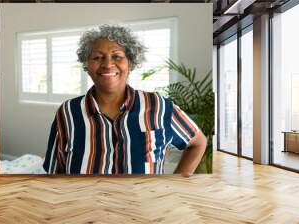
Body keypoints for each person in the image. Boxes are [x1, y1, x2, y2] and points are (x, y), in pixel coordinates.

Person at [43, 24, 207, 176]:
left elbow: (198, 143)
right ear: (87, 65)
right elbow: (55, 170)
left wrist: (176, 184)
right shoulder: (68, 112)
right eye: (97, 57)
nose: (107, 64)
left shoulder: (159, 106)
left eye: (117, 56)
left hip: (143, 206)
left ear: (131, 64)